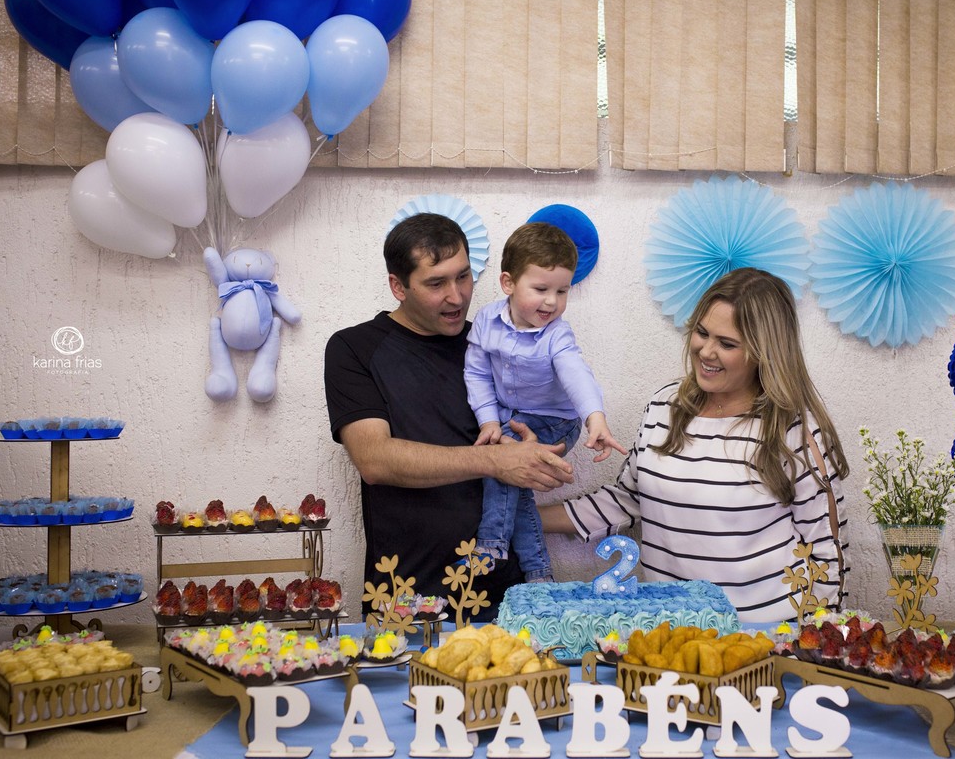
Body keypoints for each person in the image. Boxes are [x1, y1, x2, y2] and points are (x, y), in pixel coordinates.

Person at [540, 267, 850, 622]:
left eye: (728, 343)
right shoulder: (663, 408)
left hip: (769, 642)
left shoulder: (794, 430)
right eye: (702, 333)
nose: (706, 351)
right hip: (671, 635)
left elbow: (829, 551)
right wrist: (523, 519)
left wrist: (816, 646)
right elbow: (626, 501)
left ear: (764, 352)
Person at [324, 213, 575, 611]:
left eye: (463, 277)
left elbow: (545, 422)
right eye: (436, 283)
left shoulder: (492, 344)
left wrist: (542, 447)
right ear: (398, 286)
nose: (457, 297)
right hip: (408, 597)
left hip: (509, 595)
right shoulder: (354, 349)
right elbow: (375, 459)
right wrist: (496, 460)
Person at [464, 223, 626, 582]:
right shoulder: (486, 323)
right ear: (508, 283)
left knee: (504, 463)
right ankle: (539, 571)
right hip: (511, 418)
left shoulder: (557, 334)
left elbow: (576, 374)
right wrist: (489, 422)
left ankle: (491, 545)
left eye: (562, 291)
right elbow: (476, 375)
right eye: (540, 289)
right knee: (516, 479)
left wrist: (594, 419)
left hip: (557, 422)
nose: (552, 302)